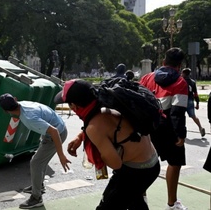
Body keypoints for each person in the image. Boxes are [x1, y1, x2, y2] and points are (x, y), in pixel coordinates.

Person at [54, 79, 160, 210]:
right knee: (134, 200)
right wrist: (81, 136)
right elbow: (110, 126)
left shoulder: (93, 127)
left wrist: (99, 152)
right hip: (152, 163)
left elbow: (115, 164)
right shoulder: (110, 102)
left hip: (136, 171)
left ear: (75, 106)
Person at [0, 93, 71, 209]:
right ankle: (38, 186)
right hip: (54, 128)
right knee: (40, 161)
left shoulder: (29, 117)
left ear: (6, 112)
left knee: (36, 162)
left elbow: (54, 132)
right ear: (16, 100)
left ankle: (36, 198)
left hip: (57, 133)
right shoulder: (23, 104)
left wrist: (61, 155)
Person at [140, 47, 188, 210]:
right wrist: (181, 134)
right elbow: (177, 111)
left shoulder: (147, 78)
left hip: (148, 127)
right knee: (175, 163)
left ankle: (141, 200)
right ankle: (171, 203)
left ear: (163, 62)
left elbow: (139, 101)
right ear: (180, 65)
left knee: (143, 164)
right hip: (168, 128)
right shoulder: (181, 82)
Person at [181, 68, 206, 137]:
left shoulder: (181, 81)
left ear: (184, 74)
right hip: (190, 100)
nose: (181, 74)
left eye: (182, 73)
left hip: (182, 100)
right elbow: (195, 94)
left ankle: (182, 130)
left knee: (181, 116)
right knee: (193, 116)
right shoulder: (192, 82)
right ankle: (200, 127)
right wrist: (197, 103)